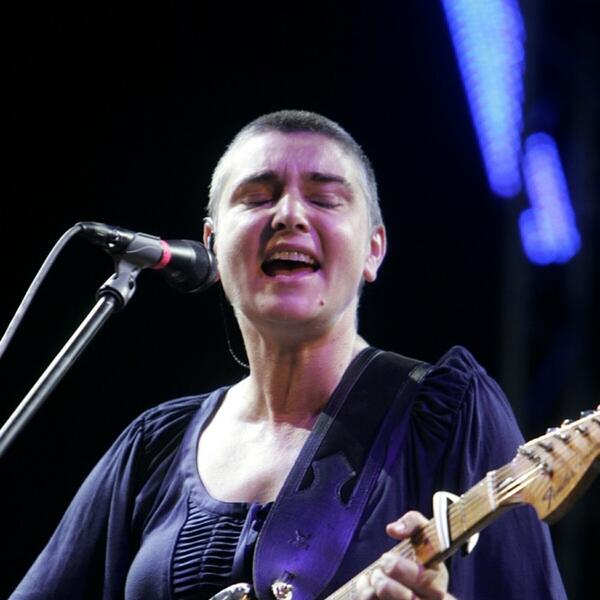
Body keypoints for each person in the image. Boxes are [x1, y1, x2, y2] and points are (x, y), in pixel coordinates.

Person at [10, 110, 567, 600]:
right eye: (257, 197)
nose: (289, 215)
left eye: (325, 199)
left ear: (373, 249)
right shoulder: (153, 448)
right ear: (212, 245)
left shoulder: (447, 417)